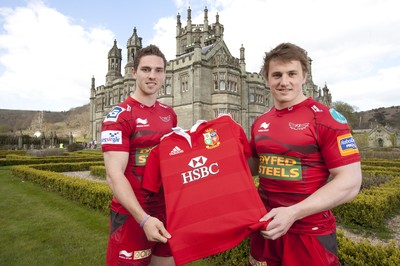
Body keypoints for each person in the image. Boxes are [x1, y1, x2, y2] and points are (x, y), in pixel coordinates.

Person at [248, 42, 362, 266]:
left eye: (292, 74)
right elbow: (252, 165)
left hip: (309, 232)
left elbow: (350, 182)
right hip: (267, 228)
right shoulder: (261, 122)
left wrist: (294, 212)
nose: (284, 82)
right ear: (266, 79)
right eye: (277, 75)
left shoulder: (325, 118)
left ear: (304, 76)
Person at [101, 44, 177, 266]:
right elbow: (114, 176)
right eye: (146, 69)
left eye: (158, 70)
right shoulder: (118, 117)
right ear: (133, 72)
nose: (152, 76)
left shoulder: (168, 114)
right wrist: (143, 219)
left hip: (165, 211)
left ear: (164, 74)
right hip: (133, 215)